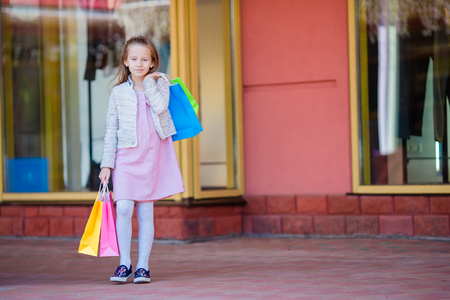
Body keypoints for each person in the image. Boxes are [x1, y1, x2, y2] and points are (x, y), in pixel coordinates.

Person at [99, 35, 185, 284]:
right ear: (125, 61)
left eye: (144, 59)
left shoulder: (161, 85)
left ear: (152, 62)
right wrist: (107, 164)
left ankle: (143, 267)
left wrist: (150, 83)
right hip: (125, 156)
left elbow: (159, 107)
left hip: (152, 155)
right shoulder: (117, 93)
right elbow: (110, 129)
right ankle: (124, 263)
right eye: (134, 58)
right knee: (124, 207)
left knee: (146, 212)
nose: (139, 63)